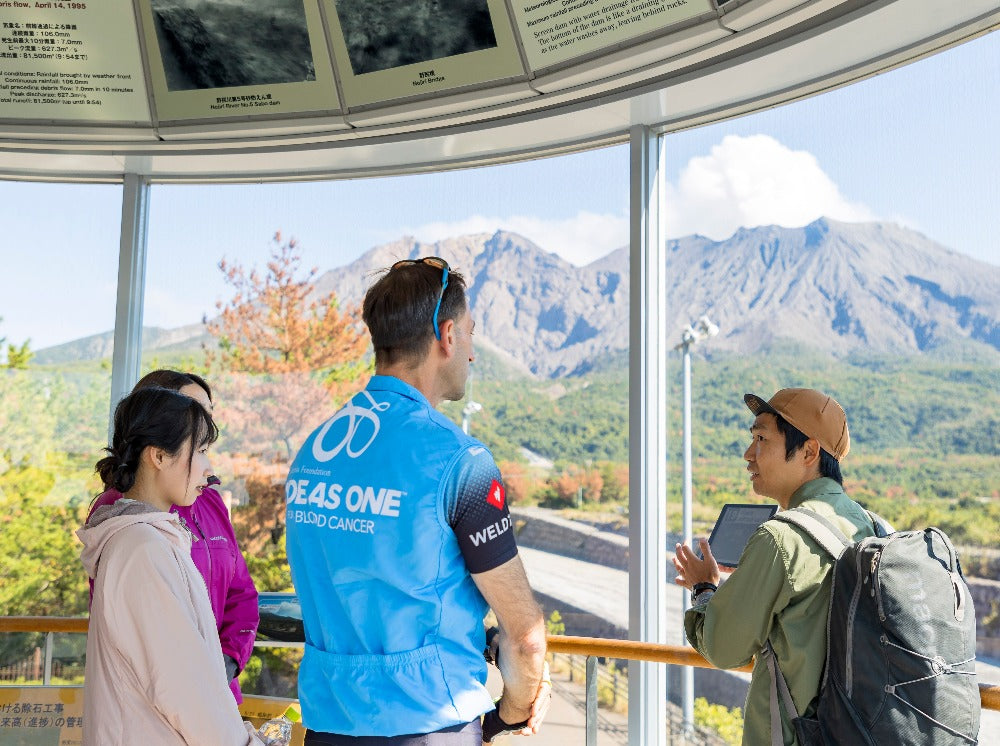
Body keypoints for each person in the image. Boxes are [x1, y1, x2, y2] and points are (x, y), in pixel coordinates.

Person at [285, 257, 551, 745]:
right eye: (470, 333)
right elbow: (526, 635)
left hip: (326, 726)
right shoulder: (460, 461)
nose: (472, 353)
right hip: (428, 726)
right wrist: (509, 712)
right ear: (446, 336)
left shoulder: (313, 452)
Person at [672, 388, 878, 746]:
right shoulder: (873, 525)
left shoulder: (780, 538)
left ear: (809, 451)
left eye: (762, 438)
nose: (748, 454)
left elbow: (722, 647)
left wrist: (705, 589)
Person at [79, 387, 264, 744]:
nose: (210, 469)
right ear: (159, 456)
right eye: (201, 451)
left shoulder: (148, 541)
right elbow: (185, 689)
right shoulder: (142, 550)